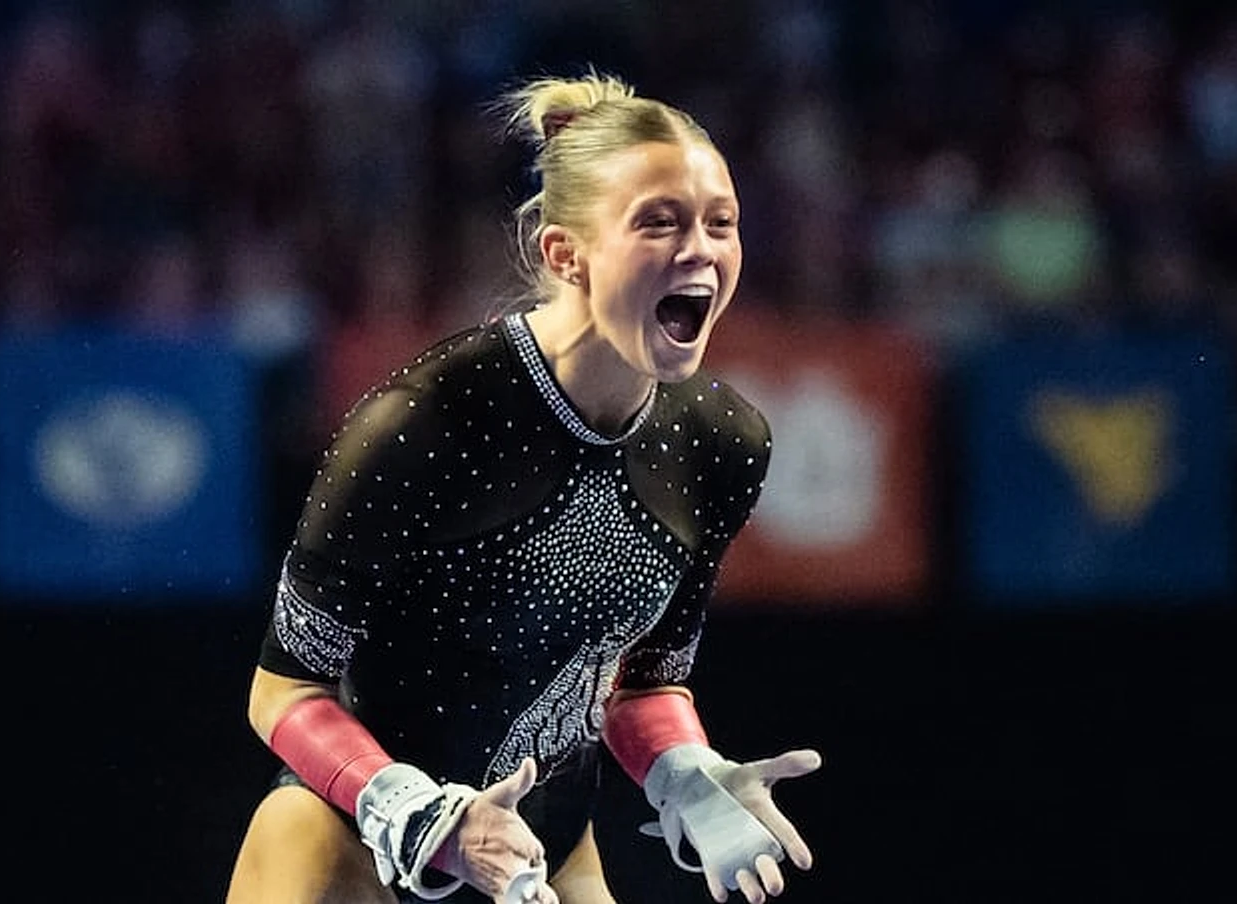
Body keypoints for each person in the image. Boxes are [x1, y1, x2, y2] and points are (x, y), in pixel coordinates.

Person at [224, 70, 822, 904]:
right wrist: (418, 812)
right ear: (564, 252)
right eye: (660, 222)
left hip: (540, 859)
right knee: (297, 835)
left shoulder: (721, 445)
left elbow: (640, 680)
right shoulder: (424, 423)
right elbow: (284, 688)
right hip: (352, 840)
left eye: (721, 224)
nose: (702, 251)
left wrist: (686, 768)